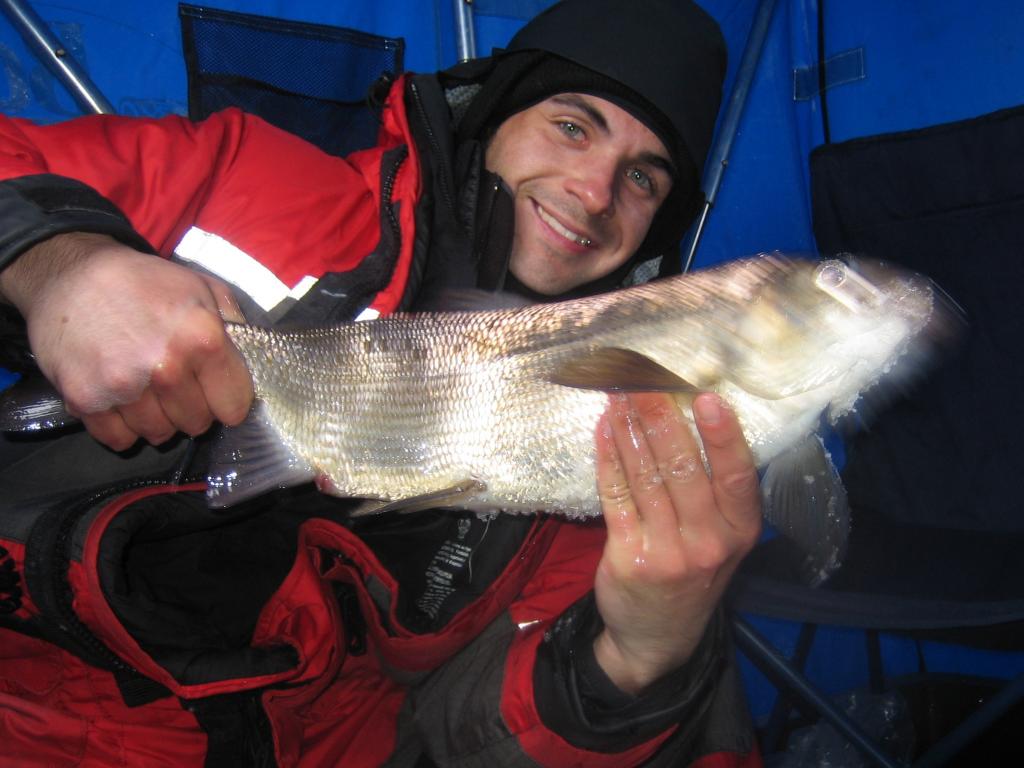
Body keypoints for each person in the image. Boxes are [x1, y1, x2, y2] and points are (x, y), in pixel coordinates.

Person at [0, 0, 764, 765]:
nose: (596, 192)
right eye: (571, 126)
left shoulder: (607, 448)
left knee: (702, 658)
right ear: (494, 114)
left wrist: (636, 657)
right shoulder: (249, 183)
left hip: (328, 745)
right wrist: (58, 263)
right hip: (33, 700)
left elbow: (467, 734)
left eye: (642, 179)